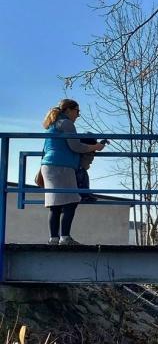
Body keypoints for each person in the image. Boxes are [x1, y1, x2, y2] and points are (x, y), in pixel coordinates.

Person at [40, 100, 105, 246]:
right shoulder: (67, 123)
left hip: (48, 166)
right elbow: (75, 146)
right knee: (72, 200)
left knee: (55, 205)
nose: (78, 115)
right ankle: (65, 237)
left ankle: (53, 238)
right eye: (77, 111)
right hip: (62, 166)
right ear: (69, 110)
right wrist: (96, 146)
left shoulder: (52, 124)